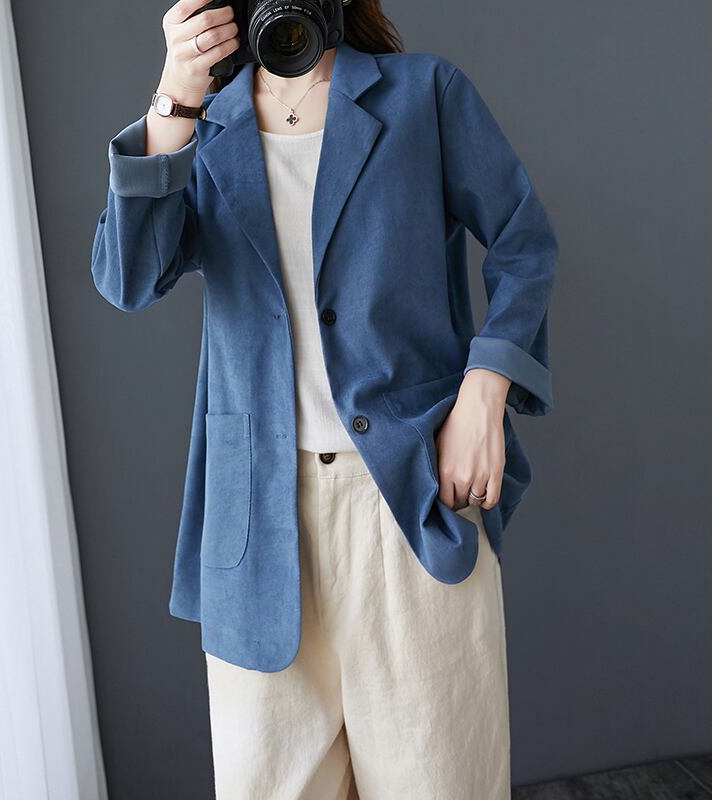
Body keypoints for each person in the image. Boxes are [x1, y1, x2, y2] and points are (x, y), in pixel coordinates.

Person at [91, 0, 558, 796]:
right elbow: (127, 279)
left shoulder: (422, 95)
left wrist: (485, 390)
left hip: (409, 502)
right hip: (258, 529)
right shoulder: (207, 123)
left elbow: (524, 240)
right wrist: (174, 98)